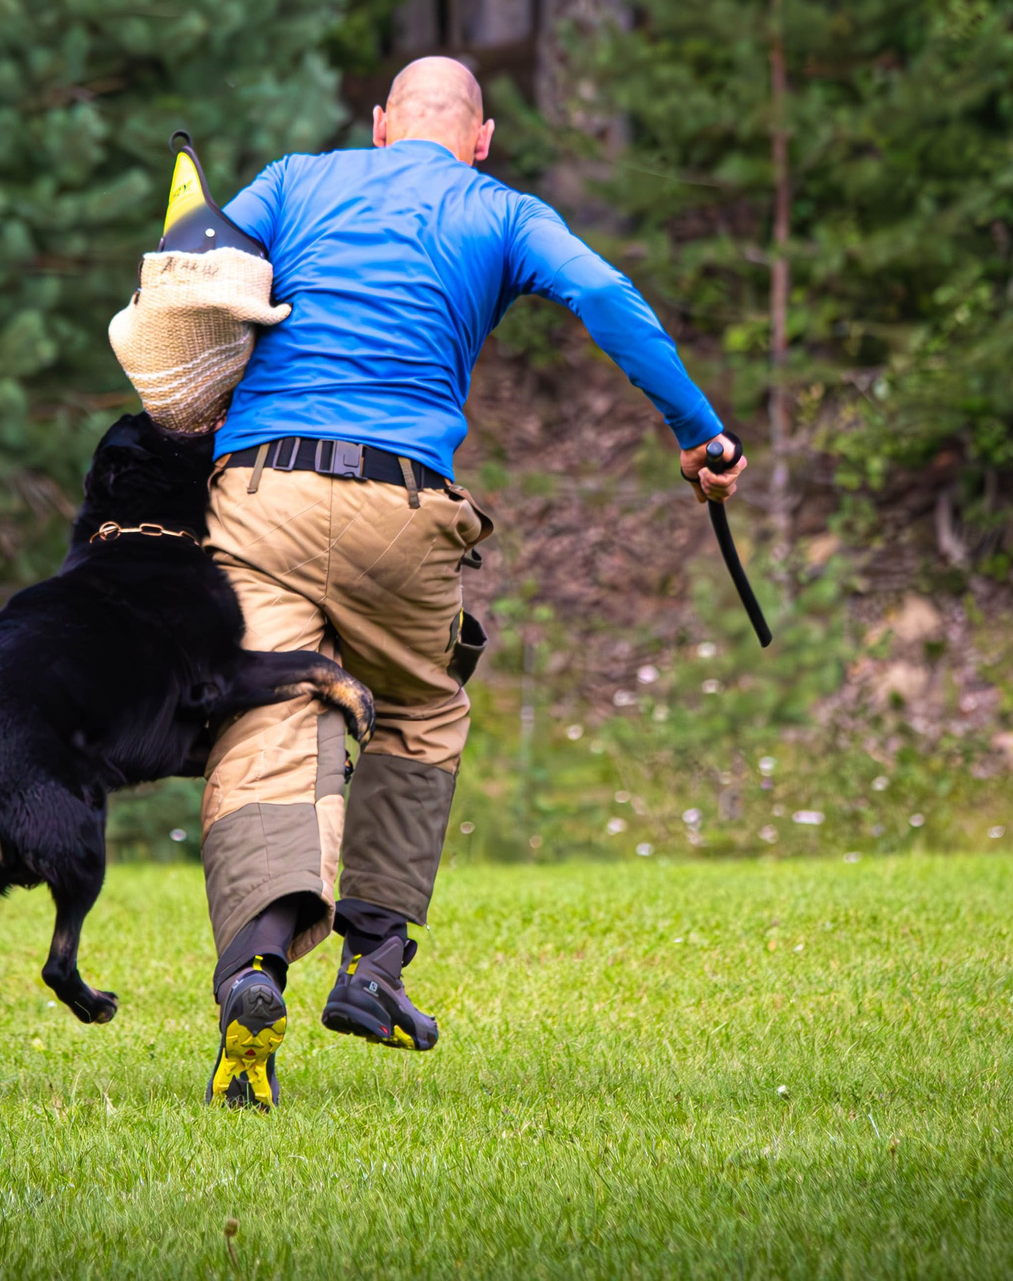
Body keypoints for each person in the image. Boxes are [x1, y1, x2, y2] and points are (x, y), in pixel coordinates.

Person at [197, 56, 745, 1109]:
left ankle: (255, 964)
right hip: (397, 503)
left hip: (259, 494)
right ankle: (371, 966)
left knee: (269, 715)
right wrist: (698, 432)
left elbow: (193, 259)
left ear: (379, 123)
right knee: (419, 706)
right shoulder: (501, 209)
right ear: (481, 139)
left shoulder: (294, 178)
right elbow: (602, 291)